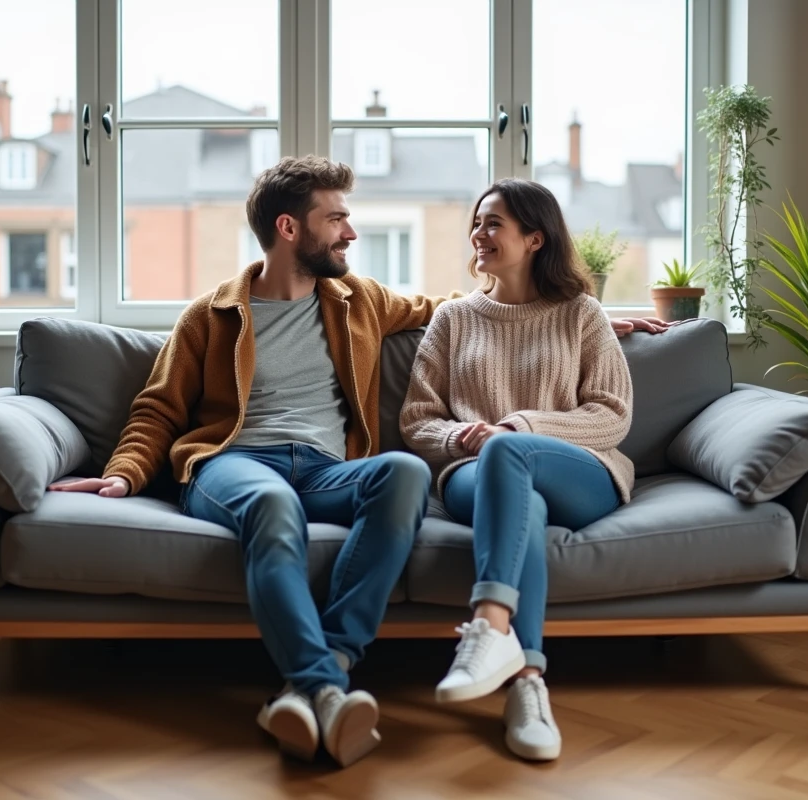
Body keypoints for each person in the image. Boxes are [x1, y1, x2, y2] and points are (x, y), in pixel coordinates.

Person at [52, 156, 662, 768]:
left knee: (404, 473)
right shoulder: (211, 316)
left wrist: (592, 315)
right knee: (271, 505)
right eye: (337, 218)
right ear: (290, 229)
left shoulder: (358, 301)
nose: (350, 232)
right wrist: (125, 471)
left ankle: (333, 667)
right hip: (236, 461)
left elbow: (468, 305)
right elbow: (157, 409)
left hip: (325, 468)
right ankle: (323, 684)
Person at [399, 178, 637, 763]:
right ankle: (528, 682)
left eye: (494, 223)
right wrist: (459, 434)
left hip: (579, 471)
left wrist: (517, 427)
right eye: (477, 223)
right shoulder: (453, 318)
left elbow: (612, 415)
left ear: (534, 237)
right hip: (471, 473)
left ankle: (488, 627)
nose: (479, 234)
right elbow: (417, 420)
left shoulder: (581, 313)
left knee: (509, 450)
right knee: (515, 494)